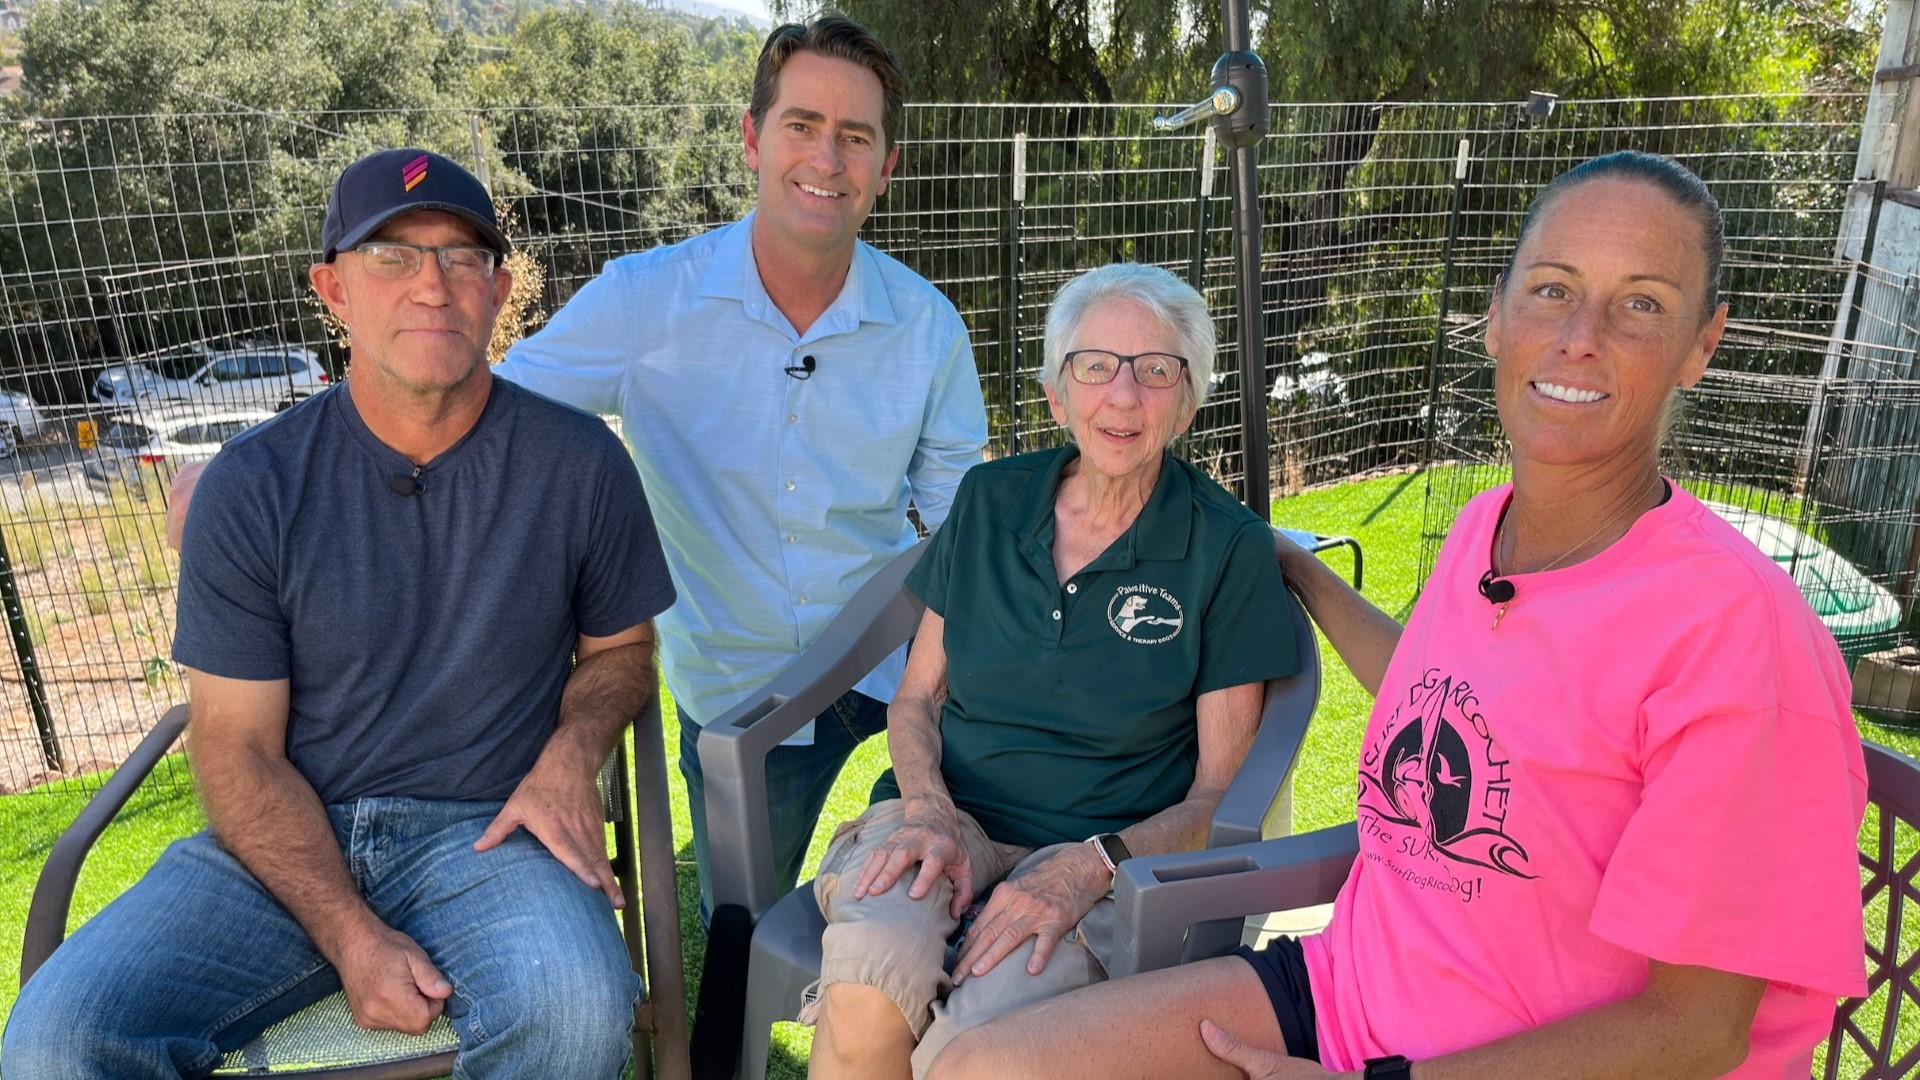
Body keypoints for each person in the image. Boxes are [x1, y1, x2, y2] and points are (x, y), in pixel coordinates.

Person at [927, 151, 1869, 1080]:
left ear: (1702, 345)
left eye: (1642, 303)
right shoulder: (1487, 532)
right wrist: (1291, 563)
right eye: (1551, 289)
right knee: (980, 1067)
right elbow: (1445, 685)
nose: (1582, 334)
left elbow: (1695, 1033)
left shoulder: (1737, 634)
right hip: (1346, 997)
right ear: (1496, 318)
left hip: (1508, 1060)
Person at [2, 148, 678, 1079]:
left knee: (573, 1007)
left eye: (461, 257)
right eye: (392, 257)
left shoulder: (581, 465)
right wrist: (354, 936)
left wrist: (569, 758)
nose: (432, 286)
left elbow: (623, 653)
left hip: (489, 834)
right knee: (55, 1040)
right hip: (278, 845)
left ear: (500, 287)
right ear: (333, 289)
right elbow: (236, 747)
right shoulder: (252, 486)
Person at [493, 14, 987, 918]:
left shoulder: (926, 326)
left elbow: (960, 505)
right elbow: (487, 406)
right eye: (802, 125)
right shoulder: (646, 301)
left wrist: (945, 662)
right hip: (736, 685)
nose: (826, 159)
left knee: (966, 864)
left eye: (855, 136)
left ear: (888, 165)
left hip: (894, 658)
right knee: (742, 930)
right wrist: (272, 462)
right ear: (754, 138)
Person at [805, 262, 1301, 1079]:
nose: (1124, 395)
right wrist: (927, 808)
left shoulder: (1226, 545)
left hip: (1103, 860)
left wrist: (1090, 866)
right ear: (1055, 393)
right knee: (868, 982)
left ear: (1188, 397)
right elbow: (917, 698)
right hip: (945, 818)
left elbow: (1216, 798)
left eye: (1156, 370)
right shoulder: (992, 499)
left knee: (981, 1045)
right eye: (1096, 366)